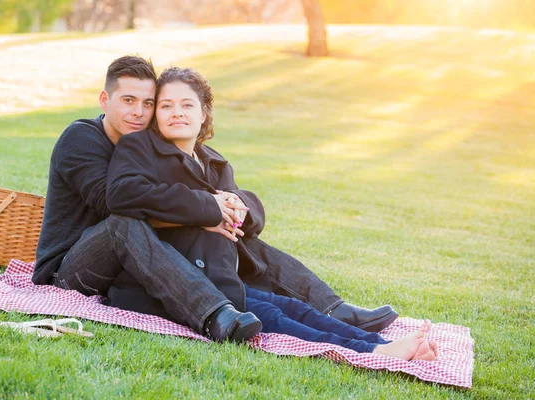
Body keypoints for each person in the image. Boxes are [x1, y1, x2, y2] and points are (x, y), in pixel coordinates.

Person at [33, 55, 397, 344]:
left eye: (148, 102)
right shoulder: (81, 138)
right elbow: (114, 204)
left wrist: (232, 209)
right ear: (105, 99)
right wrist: (207, 211)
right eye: (128, 101)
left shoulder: (163, 148)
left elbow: (222, 202)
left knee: (238, 233)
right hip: (72, 267)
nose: (139, 112)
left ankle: (334, 308)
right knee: (125, 223)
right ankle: (215, 314)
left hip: (133, 257)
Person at [105, 66, 437, 360]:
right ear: (156, 115)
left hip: (220, 277)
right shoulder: (139, 148)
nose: (176, 112)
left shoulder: (213, 161)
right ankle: (374, 351)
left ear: (204, 113)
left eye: (187, 104)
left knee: (294, 308)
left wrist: (236, 207)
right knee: (275, 318)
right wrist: (208, 208)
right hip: (170, 284)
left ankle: (378, 341)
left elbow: (251, 223)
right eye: (166, 105)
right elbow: (123, 193)